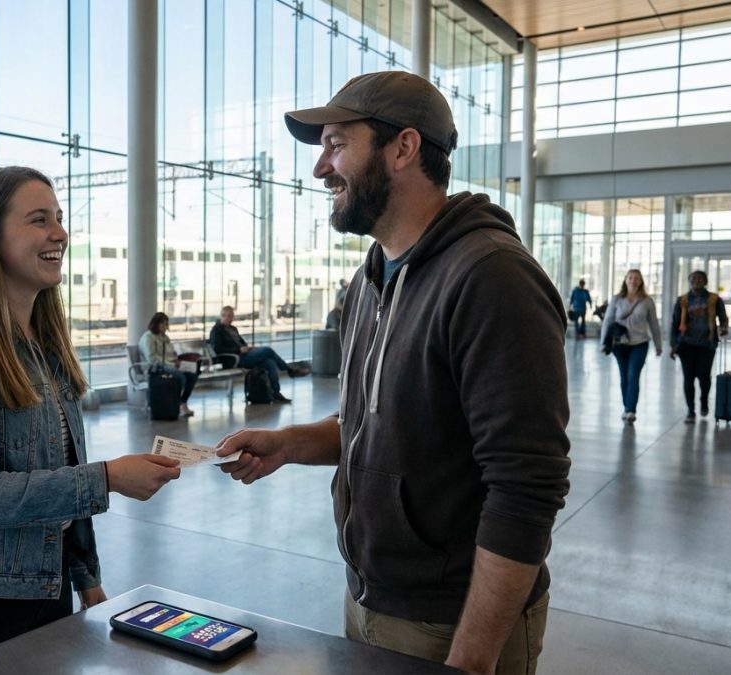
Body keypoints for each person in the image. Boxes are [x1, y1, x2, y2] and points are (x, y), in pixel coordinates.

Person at [216, 71, 571, 674]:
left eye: (336, 144)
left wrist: (472, 657)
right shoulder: (372, 279)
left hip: (451, 625)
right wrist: (288, 444)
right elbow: (375, 422)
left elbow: (526, 487)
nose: (320, 168)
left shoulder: (492, 277)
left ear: (403, 147)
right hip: (368, 599)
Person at [0, 166, 181, 672]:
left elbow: (61, 464)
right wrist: (108, 478)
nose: (60, 233)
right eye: (39, 220)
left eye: (59, 217)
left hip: (47, 590)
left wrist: (85, 575)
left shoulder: (46, 343)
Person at [209, 306, 309, 403]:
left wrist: (248, 348)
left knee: (270, 362)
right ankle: (290, 370)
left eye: (230, 316)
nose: (228, 318)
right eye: (225, 315)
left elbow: (241, 343)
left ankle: (276, 393)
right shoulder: (216, 330)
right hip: (234, 359)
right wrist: (238, 350)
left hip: (244, 355)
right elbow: (217, 349)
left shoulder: (233, 329)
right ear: (221, 316)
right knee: (267, 350)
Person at [600, 269, 663, 424]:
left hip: (640, 343)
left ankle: (631, 410)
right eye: (630, 278)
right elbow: (608, 320)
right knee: (624, 376)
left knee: (633, 375)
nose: (633, 281)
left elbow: (654, 324)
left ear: (641, 281)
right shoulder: (617, 299)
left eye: (636, 278)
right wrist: (603, 342)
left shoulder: (647, 301)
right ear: (625, 280)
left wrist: (658, 344)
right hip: (619, 344)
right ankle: (626, 406)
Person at [669, 270, 729, 423]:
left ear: (705, 281)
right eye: (693, 278)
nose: (696, 280)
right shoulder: (682, 300)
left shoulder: (714, 299)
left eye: (700, 278)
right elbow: (675, 323)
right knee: (688, 378)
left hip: (706, 345)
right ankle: (691, 410)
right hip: (686, 345)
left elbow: (723, 317)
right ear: (689, 281)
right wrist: (673, 344)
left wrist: (723, 327)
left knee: (704, 376)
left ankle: (704, 401)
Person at [138, 312, 199, 417]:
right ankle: (176, 403)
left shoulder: (164, 337)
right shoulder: (148, 337)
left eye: (166, 324)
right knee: (180, 377)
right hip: (154, 368)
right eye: (162, 324)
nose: (165, 327)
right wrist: (171, 364)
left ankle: (182, 402)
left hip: (168, 364)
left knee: (192, 374)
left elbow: (170, 354)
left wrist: (176, 361)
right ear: (156, 324)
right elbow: (152, 359)